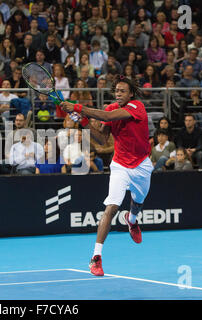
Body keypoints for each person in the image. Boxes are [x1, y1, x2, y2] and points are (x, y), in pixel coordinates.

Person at [60, 74, 153, 277]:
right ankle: (96, 258)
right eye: (116, 91)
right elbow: (101, 139)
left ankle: (132, 220)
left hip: (142, 165)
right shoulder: (111, 108)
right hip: (120, 164)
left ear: (130, 94)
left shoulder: (137, 107)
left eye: (122, 91)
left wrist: (77, 107)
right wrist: (83, 122)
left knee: (138, 201)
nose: (118, 94)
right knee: (111, 206)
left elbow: (108, 117)